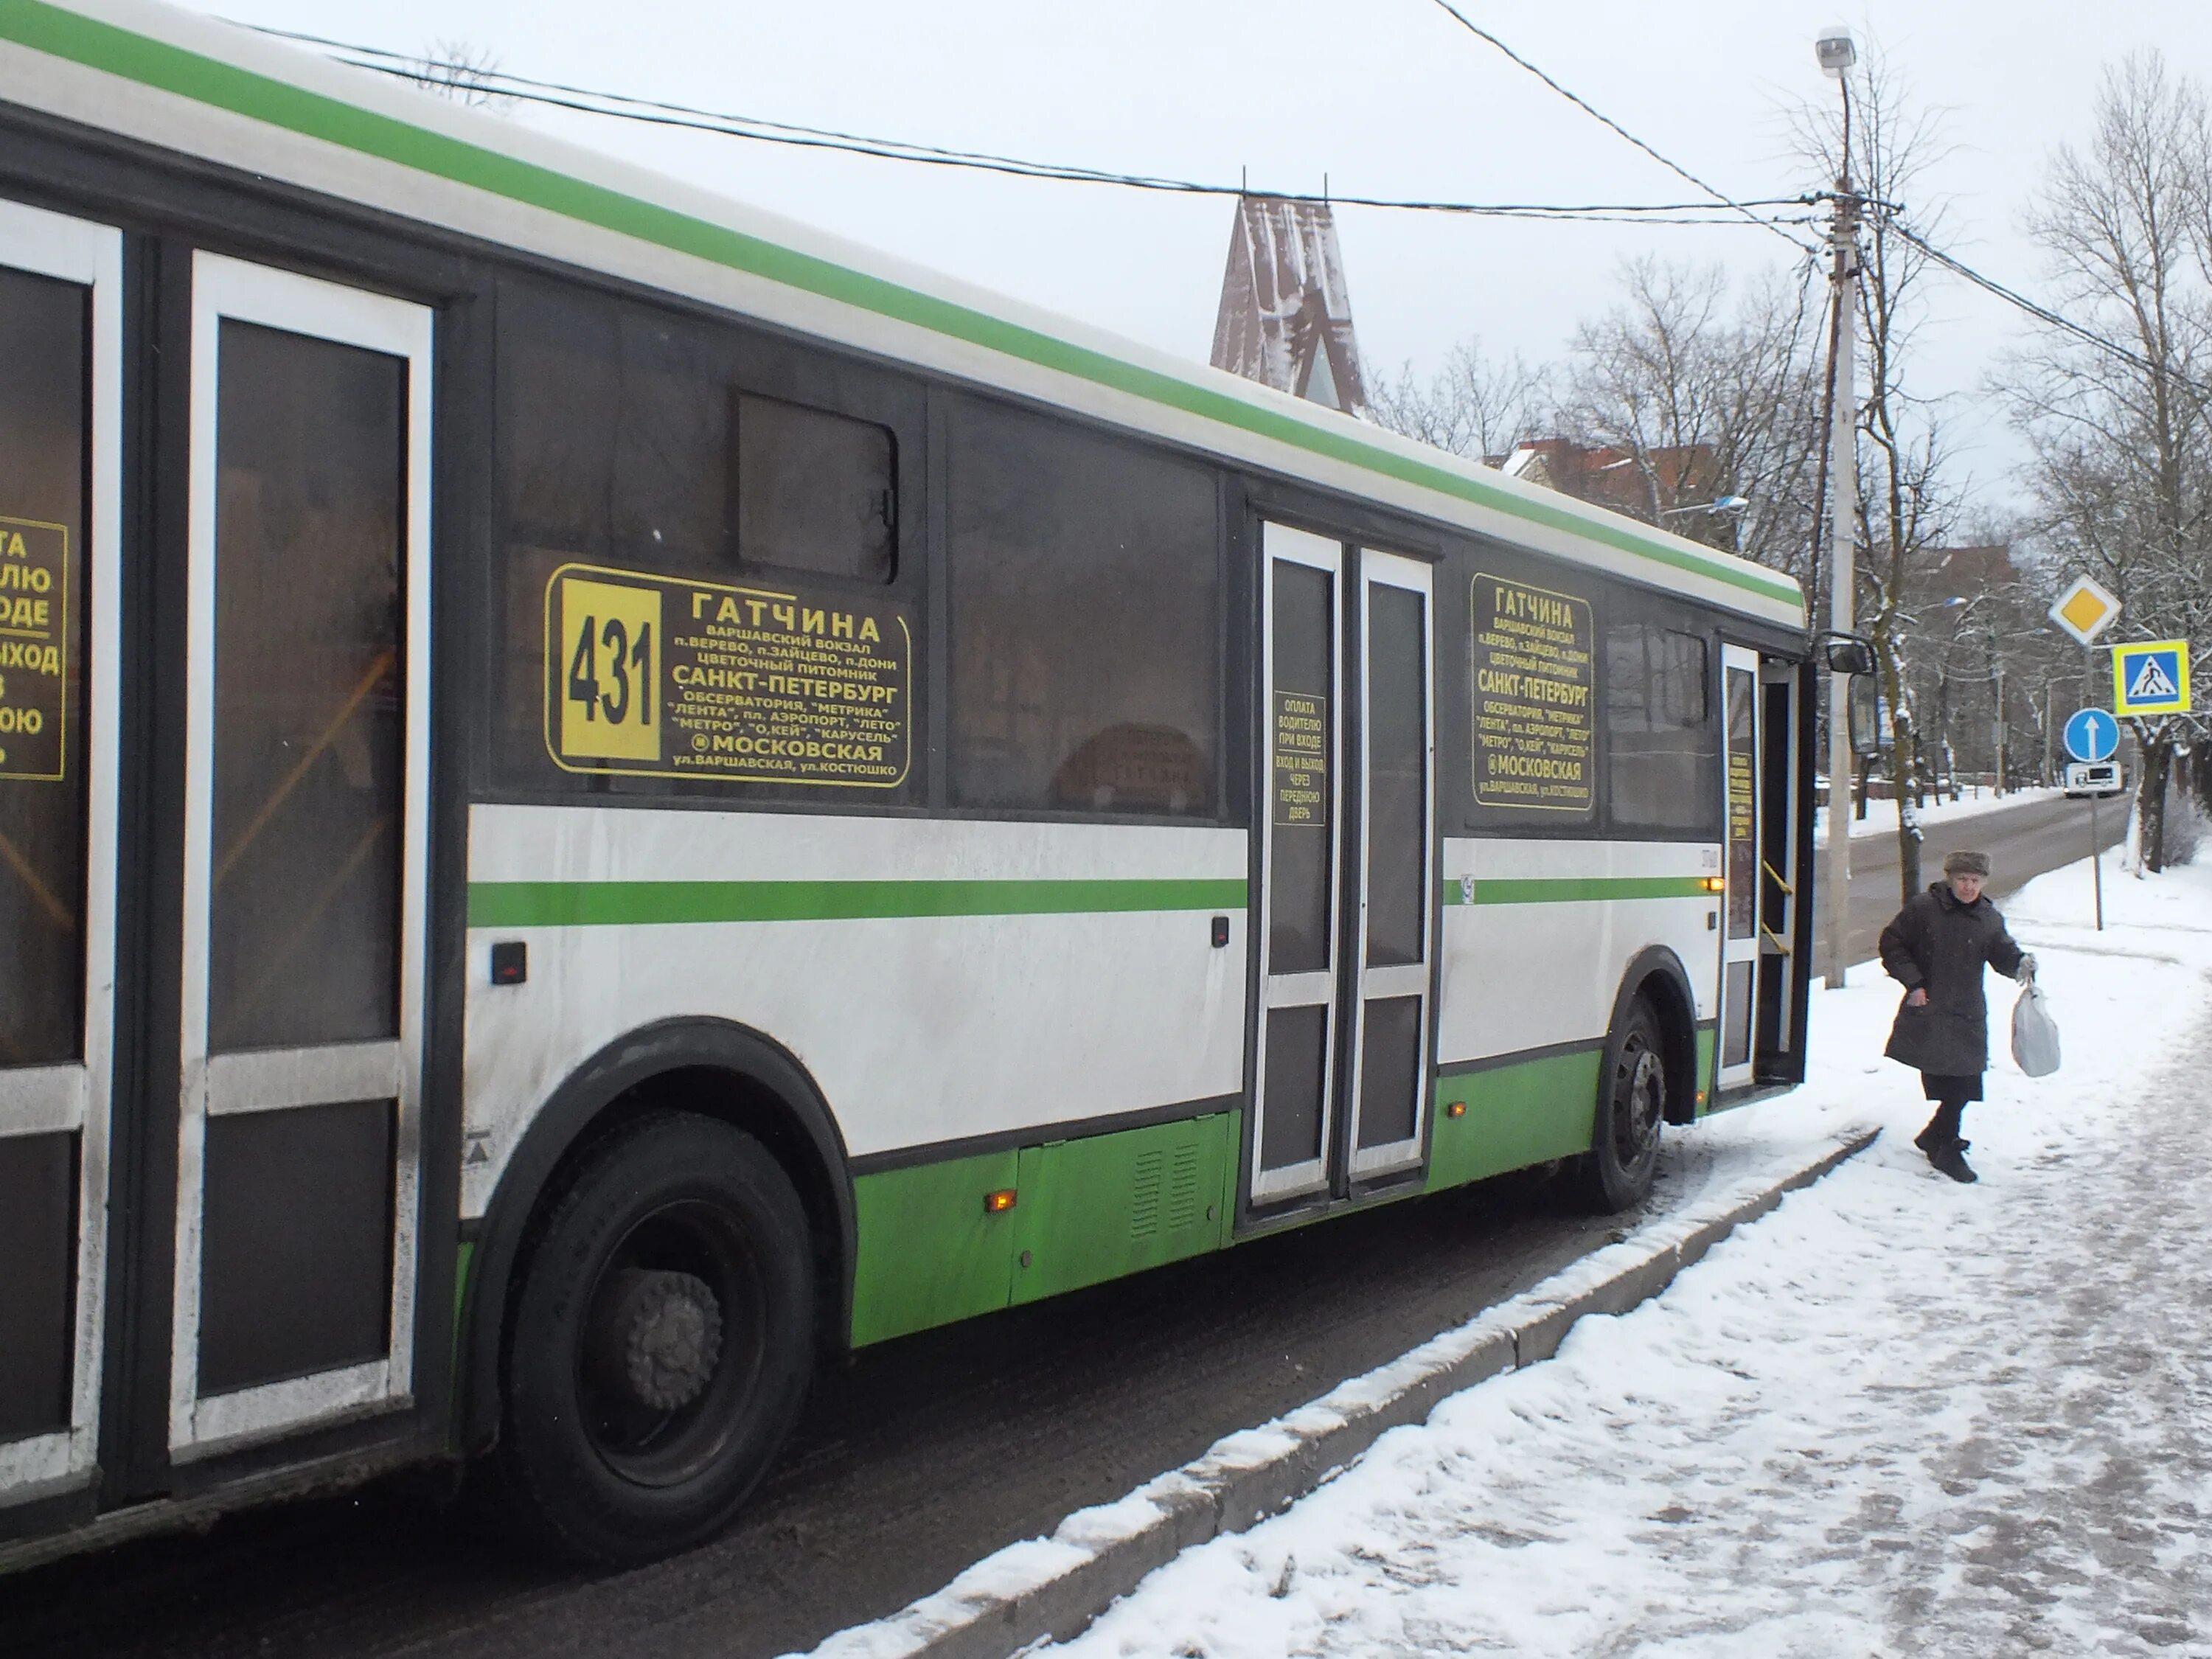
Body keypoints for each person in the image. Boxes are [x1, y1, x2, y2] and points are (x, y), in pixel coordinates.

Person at [1877, 849, 2036, 1183]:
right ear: (1951, 879)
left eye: (1975, 881)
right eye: (1963, 879)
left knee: (1965, 1082)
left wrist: (2018, 962)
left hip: (1967, 1012)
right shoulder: (1924, 909)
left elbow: (2001, 951)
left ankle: (1937, 1136)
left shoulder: (1988, 918)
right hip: (1930, 1007)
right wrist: (1914, 982)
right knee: (1950, 1082)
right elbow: (1892, 944)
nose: (1968, 887)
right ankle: (1945, 1146)